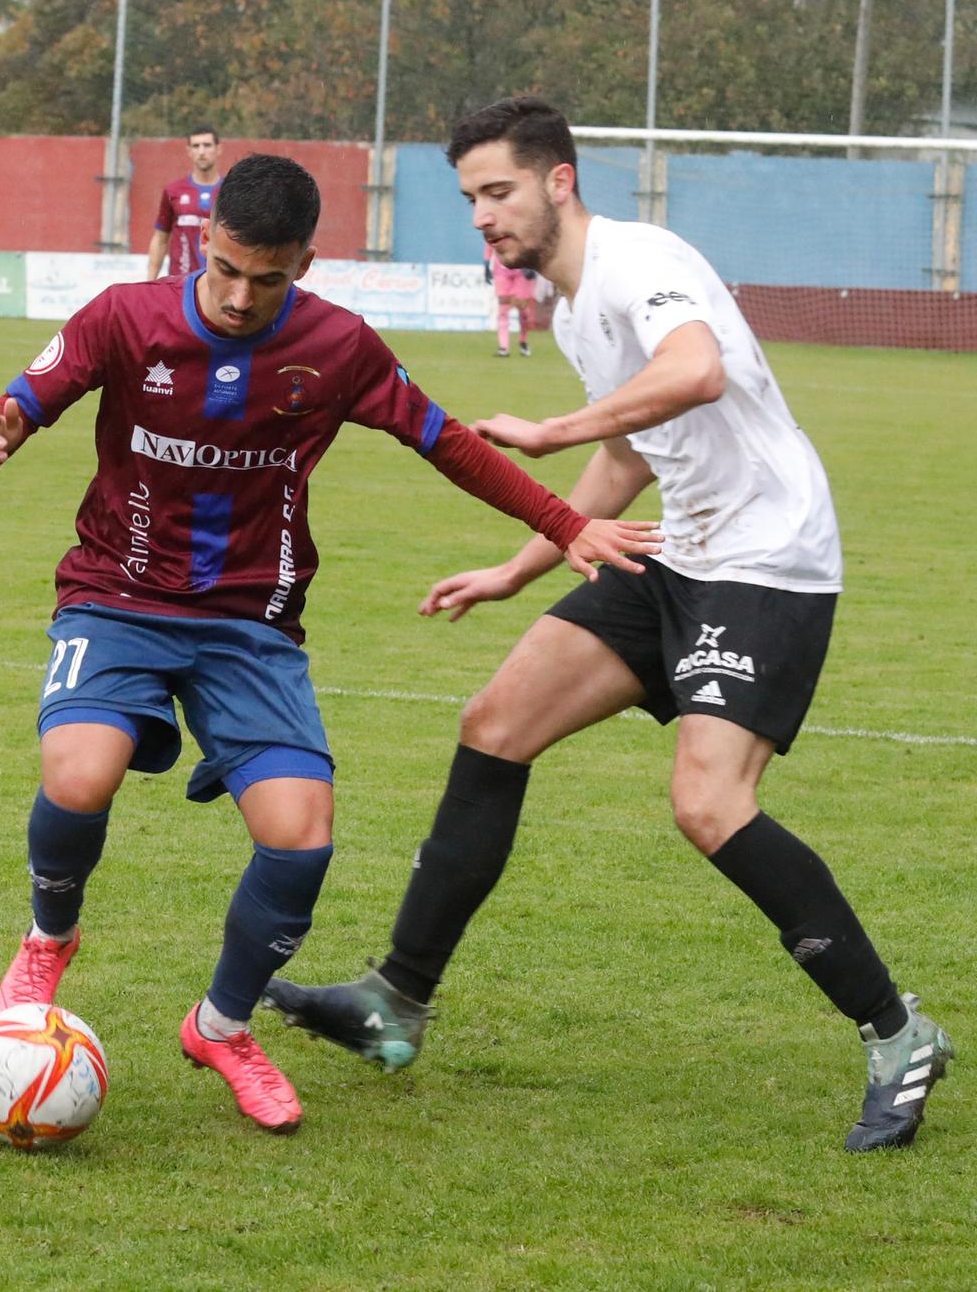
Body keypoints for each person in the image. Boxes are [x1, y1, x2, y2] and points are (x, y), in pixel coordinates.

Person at [263, 96, 953, 1154]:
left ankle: (898, 1032)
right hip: (671, 548)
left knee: (707, 803)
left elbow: (693, 371)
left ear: (557, 181)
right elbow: (635, 455)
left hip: (764, 560)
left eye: (495, 192)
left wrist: (547, 428)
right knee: (493, 722)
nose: (482, 217)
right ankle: (394, 1002)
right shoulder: (571, 305)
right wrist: (517, 563)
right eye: (468, 199)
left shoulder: (635, 263)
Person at [0, 152, 658, 1134]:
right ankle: (48, 936)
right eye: (228, 270)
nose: (244, 296)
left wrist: (565, 524)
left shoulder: (336, 347)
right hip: (116, 597)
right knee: (79, 774)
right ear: (204, 241)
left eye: (271, 277)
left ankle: (220, 1025)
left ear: (305, 261)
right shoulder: (125, 317)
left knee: (299, 837)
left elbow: (446, 442)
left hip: (251, 622)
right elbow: (26, 400)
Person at [145, 127, 221, 280]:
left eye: (207, 145)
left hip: (217, 284)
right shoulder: (173, 191)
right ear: (189, 151)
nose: (201, 151)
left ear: (218, 149)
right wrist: (150, 281)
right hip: (180, 282)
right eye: (196, 146)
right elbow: (160, 239)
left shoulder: (231, 191)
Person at [484, 238, 536, 357]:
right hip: (502, 272)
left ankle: (523, 340)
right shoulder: (496, 224)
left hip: (521, 271)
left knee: (523, 311)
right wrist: (486, 263)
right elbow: (489, 241)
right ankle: (504, 347)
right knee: (503, 310)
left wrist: (532, 263)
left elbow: (530, 241)